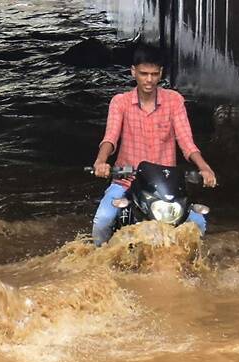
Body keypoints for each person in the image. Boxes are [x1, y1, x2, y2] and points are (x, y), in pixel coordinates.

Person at [90, 45, 218, 246]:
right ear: (133, 72)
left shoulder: (174, 101)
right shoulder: (120, 102)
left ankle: (191, 268)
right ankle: (100, 265)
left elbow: (186, 142)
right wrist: (101, 161)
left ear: (161, 73)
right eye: (143, 74)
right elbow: (110, 138)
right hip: (127, 180)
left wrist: (204, 168)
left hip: (166, 186)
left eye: (154, 74)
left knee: (198, 224)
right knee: (102, 221)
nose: (149, 80)